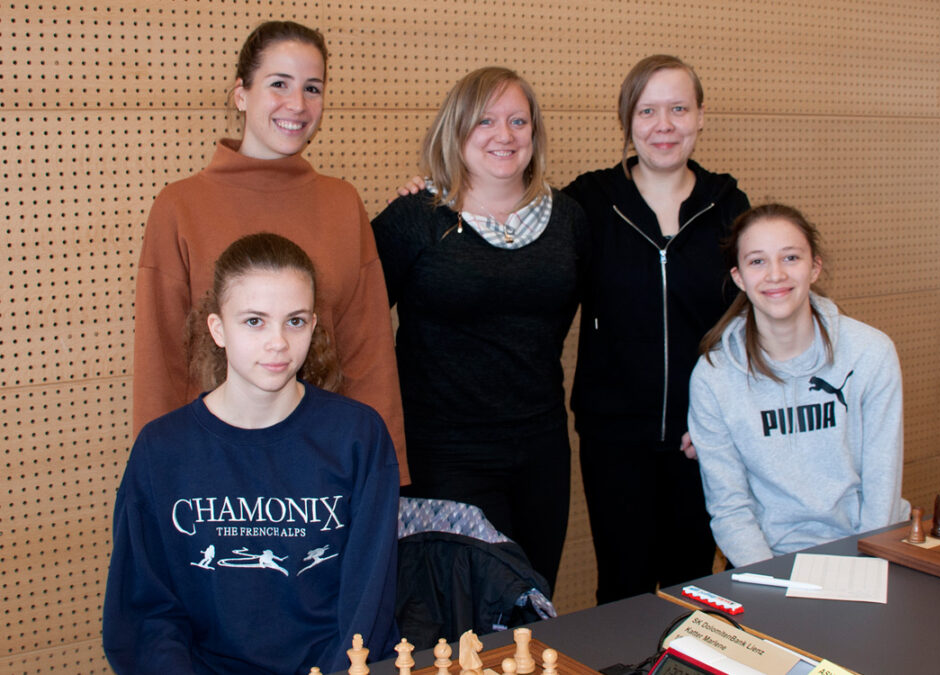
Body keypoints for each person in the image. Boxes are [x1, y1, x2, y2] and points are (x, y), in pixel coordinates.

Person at [103, 233, 399, 674]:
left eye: (295, 321)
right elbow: (146, 611)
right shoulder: (162, 450)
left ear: (314, 325)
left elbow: (368, 601)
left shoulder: (357, 436)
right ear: (218, 329)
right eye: (254, 321)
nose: (278, 342)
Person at [132, 20, 408, 483]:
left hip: (326, 467)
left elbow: (369, 352)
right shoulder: (180, 206)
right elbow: (162, 358)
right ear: (241, 93)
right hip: (216, 469)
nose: (298, 105)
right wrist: (160, 471)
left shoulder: (342, 203)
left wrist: (383, 471)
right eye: (279, 84)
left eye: (312, 88)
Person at [372, 67, 587, 590]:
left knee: (534, 605)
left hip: (540, 449)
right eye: (486, 121)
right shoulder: (415, 219)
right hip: (444, 454)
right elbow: (359, 327)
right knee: (466, 615)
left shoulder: (569, 221)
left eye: (519, 120)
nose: (505, 135)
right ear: (458, 128)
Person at [562, 55, 750, 603]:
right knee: (623, 590)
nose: (663, 125)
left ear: (699, 116)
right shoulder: (589, 203)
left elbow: (750, 322)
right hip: (614, 439)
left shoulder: (726, 204)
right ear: (627, 119)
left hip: (703, 438)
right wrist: (433, 192)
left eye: (677, 108)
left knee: (697, 587)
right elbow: (506, 227)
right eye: (648, 110)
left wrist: (725, 419)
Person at [688, 203, 910, 567]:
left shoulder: (871, 353)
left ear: (815, 267)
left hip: (866, 552)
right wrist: (772, 581)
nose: (775, 275)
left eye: (790, 257)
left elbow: (882, 486)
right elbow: (730, 508)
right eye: (757, 261)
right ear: (740, 277)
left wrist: (862, 571)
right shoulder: (714, 375)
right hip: (766, 561)